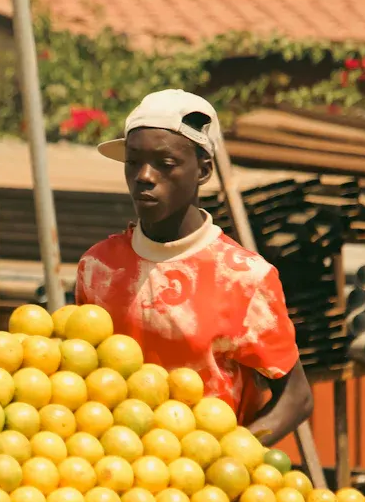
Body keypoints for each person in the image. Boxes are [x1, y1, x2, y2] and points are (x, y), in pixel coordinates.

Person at [74, 89, 313, 445]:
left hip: (206, 471)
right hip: (116, 467)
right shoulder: (98, 267)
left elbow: (296, 397)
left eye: (165, 163)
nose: (144, 176)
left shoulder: (243, 277)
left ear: (203, 170)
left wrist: (235, 453)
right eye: (133, 161)